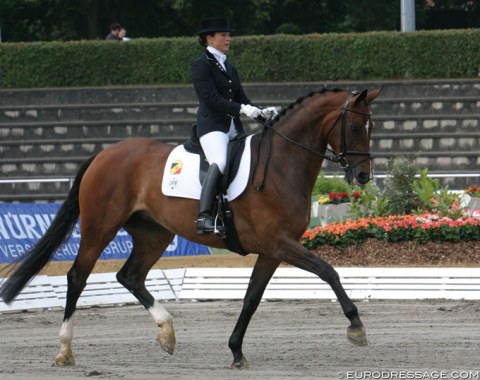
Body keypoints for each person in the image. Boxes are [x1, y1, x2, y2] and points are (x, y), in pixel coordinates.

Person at [192, 17, 277, 235]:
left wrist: (261, 113)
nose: (228, 38)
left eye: (228, 35)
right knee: (220, 162)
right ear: (209, 39)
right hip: (212, 126)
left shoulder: (229, 66)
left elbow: (242, 98)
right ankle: (204, 217)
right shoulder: (201, 65)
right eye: (223, 35)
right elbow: (211, 99)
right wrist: (241, 109)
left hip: (233, 127)